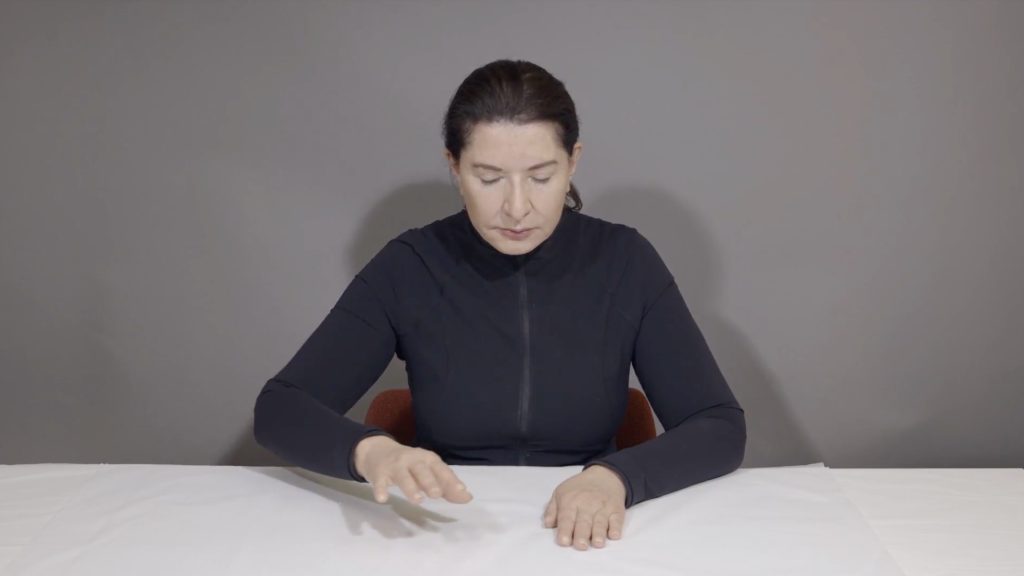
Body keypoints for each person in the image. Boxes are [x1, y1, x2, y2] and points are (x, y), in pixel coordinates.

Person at [253, 59, 746, 551]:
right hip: (443, 529)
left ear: (573, 161)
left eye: (540, 176)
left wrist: (614, 478)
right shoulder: (410, 265)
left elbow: (719, 425)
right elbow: (280, 408)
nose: (516, 207)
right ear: (455, 166)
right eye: (489, 178)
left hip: (588, 536)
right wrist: (372, 451)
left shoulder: (625, 261)